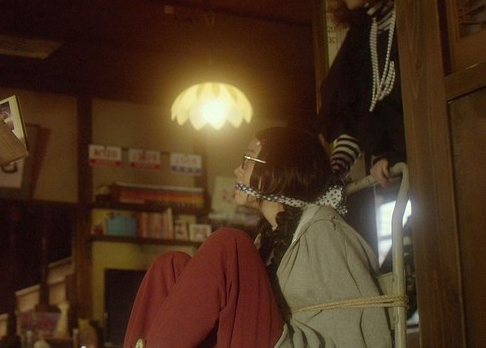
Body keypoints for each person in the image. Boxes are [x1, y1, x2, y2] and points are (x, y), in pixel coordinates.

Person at [123, 127, 391, 348]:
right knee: (171, 265)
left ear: (280, 168)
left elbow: (367, 322)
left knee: (230, 244)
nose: (237, 171)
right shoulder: (265, 240)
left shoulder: (324, 229)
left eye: (248, 160)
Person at [317, 0, 405, 188]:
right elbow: (350, 111)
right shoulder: (362, 34)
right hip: (395, 174)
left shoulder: (410, 18)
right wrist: (334, 174)